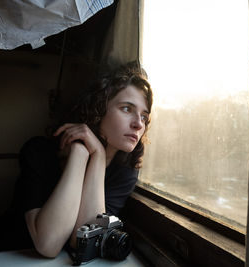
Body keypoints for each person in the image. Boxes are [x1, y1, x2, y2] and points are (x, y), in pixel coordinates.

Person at [13, 62, 153, 258]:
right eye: (127, 109)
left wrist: (99, 155)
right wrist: (79, 152)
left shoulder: (125, 171)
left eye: (144, 116)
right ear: (99, 108)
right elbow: (48, 244)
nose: (139, 124)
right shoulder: (39, 151)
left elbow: (84, 242)